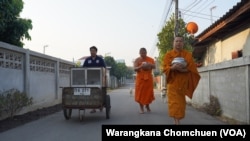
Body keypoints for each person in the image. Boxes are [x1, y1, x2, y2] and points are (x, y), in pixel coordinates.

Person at [162, 35, 200, 125]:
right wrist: (172, 68)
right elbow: (165, 68)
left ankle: (177, 120)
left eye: (180, 41)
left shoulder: (187, 55)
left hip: (182, 84)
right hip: (172, 84)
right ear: (173, 43)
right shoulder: (168, 55)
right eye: (176, 41)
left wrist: (181, 69)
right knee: (174, 104)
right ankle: (177, 122)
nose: (178, 43)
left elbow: (192, 69)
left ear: (183, 43)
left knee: (181, 105)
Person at [83, 46, 106, 113]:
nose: (92, 52)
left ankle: (100, 104)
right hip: (89, 79)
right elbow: (84, 68)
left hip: (99, 79)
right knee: (91, 92)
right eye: (91, 51)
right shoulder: (87, 60)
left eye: (93, 51)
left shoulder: (100, 59)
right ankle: (93, 108)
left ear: (96, 51)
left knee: (99, 92)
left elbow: (104, 68)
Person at [134, 47, 155, 114]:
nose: (143, 54)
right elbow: (134, 69)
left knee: (148, 93)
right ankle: (141, 108)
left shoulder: (150, 59)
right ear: (139, 53)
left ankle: (147, 106)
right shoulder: (137, 60)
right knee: (140, 94)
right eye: (141, 53)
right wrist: (141, 67)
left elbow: (154, 66)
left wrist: (149, 64)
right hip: (140, 79)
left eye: (144, 53)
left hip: (148, 79)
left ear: (146, 53)